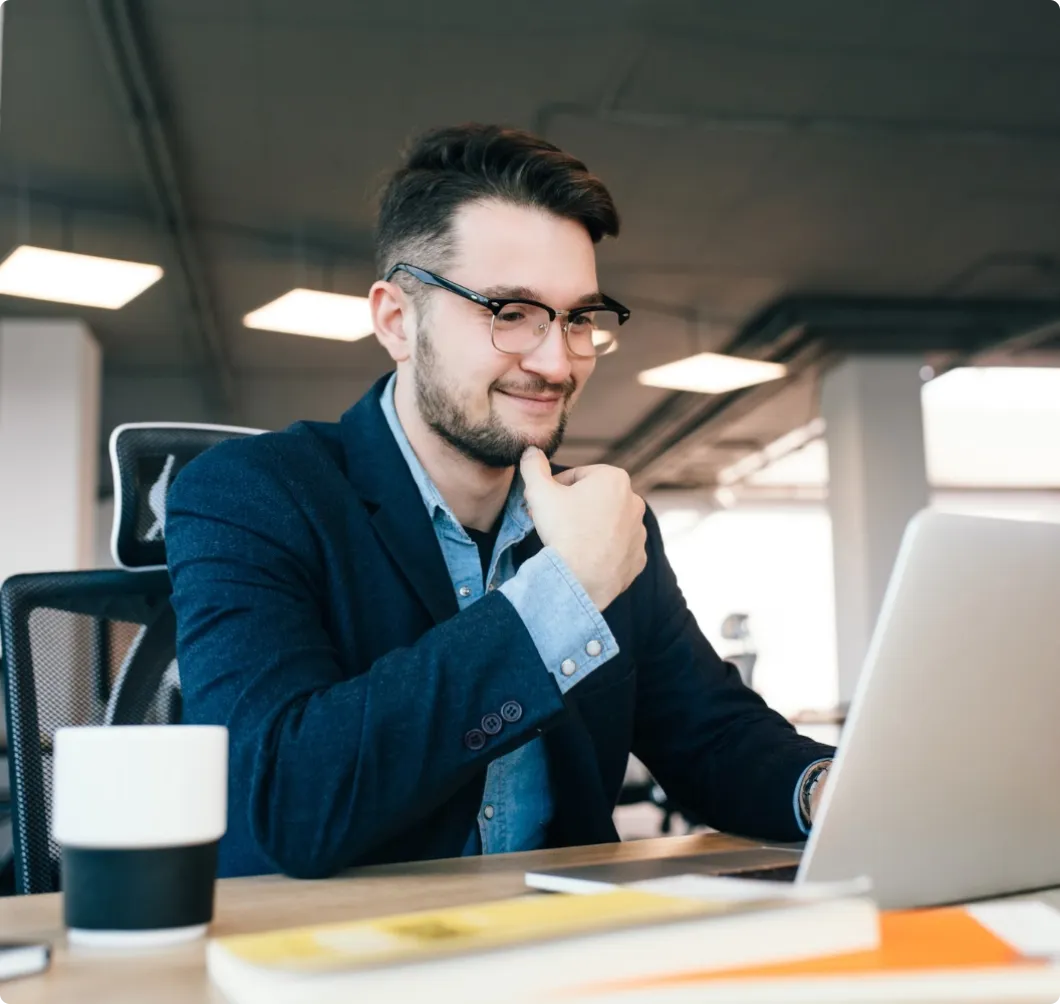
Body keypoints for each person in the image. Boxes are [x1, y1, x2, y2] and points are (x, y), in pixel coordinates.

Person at [166, 123, 834, 879]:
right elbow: (288, 799)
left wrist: (827, 791)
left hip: (561, 950)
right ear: (397, 320)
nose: (556, 360)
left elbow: (711, 737)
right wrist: (563, 595)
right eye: (510, 313)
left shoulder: (603, 521)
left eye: (579, 318)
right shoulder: (250, 492)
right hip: (339, 964)